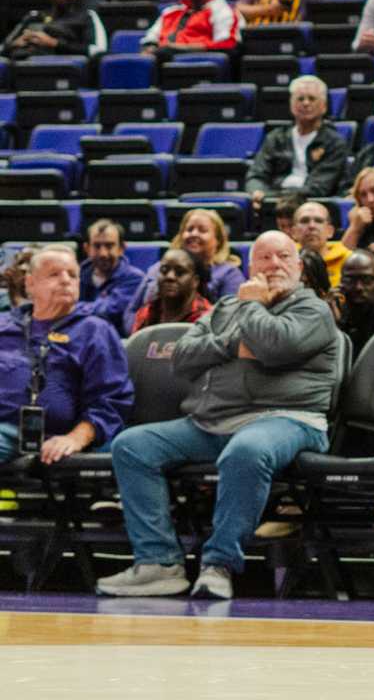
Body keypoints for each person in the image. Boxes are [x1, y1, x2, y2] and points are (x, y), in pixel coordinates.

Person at [97, 231, 336, 600]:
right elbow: (182, 358)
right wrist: (231, 344)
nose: (274, 265)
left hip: (288, 418)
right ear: (250, 265)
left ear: (300, 266)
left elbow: (273, 347)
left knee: (247, 450)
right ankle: (158, 563)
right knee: (131, 445)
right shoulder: (227, 306)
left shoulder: (313, 310)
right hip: (212, 421)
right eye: (264, 258)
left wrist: (252, 308)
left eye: (283, 257)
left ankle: (218, 564)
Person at [0, 246, 133, 466]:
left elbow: (111, 400)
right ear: (30, 284)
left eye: (72, 275)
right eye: (54, 274)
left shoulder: (94, 330)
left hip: (55, 434)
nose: (65, 280)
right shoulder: (5, 325)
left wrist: (76, 437)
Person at [244, 75, 349, 210]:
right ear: (291, 105)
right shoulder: (275, 138)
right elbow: (256, 176)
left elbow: (319, 188)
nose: (305, 103)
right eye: (300, 99)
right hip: (274, 206)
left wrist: (271, 195)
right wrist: (257, 192)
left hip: (312, 206)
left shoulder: (335, 143)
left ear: (324, 106)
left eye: (312, 98)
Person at [3, 0, 100, 60]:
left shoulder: (86, 16)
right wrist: (15, 44)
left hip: (64, 69)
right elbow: (3, 48)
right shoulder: (33, 16)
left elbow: (97, 52)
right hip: (26, 66)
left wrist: (54, 43)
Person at [78, 219, 146, 331]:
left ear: (121, 248)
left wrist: (72, 308)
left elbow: (106, 311)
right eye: (97, 246)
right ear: (87, 248)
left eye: (109, 246)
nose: (103, 253)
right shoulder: (76, 275)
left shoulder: (135, 279)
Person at [132, 246, 216, 330]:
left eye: (180, 272)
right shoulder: (146, 312)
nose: (170, 277)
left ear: (195, 281)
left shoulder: (208, 318)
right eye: (164, 270)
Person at [289, 200, 349, 289]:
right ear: (293, 232)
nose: (312, 226)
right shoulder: (284, 262)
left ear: (330, 231)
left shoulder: (348, 260)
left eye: (318, 221)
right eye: (304, 221)